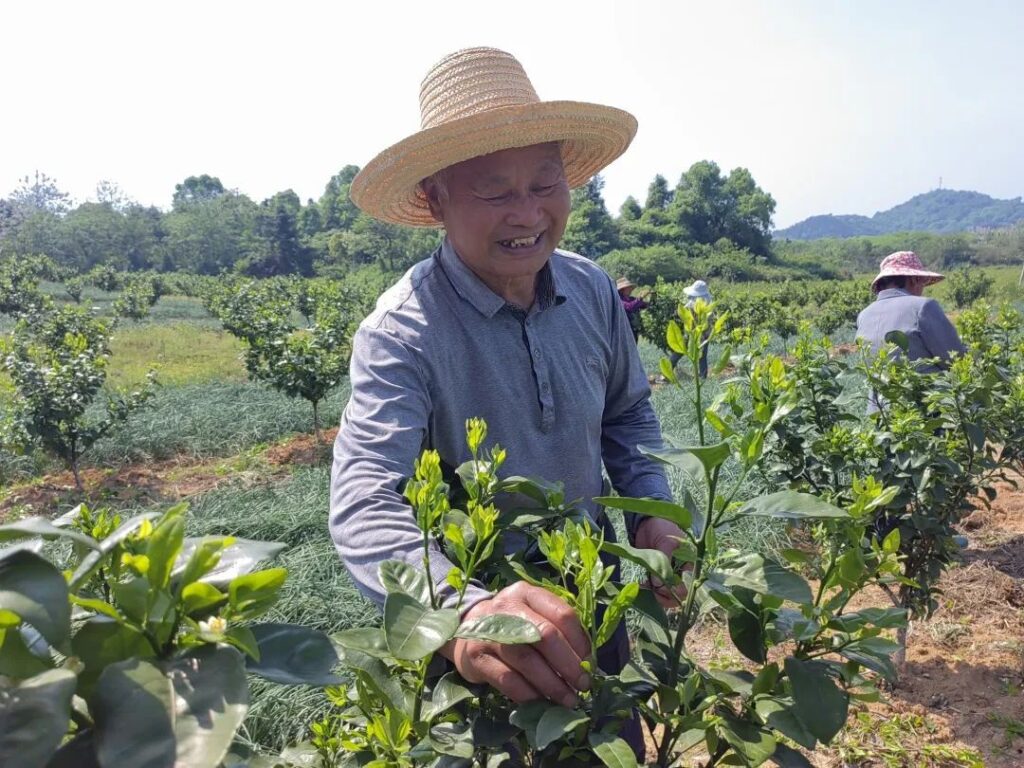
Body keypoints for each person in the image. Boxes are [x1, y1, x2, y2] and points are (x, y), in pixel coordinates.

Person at [329, 47, 686, 755]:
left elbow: (626, 415)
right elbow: (365, 500)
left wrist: (650, 508)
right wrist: (468, 613)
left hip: (592, 599)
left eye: (546, 182)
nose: (528, 214)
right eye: (494, 191)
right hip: (485, 647)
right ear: (435, 200)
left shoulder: (590, 291)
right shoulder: (403, 335)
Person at [856, 250, 966, 411]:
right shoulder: (923, 307)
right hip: (924, 411)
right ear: (914, 279)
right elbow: (955, 360)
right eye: (922, 282)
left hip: (881, 413)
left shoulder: (864, 315)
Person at [668, 279, 713, 378]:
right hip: (700, 334)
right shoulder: (705, 302)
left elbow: (683, 313)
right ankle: (702, 377)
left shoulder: (699, 304)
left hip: (696, 333)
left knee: (680, 351)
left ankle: (667, 373)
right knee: (700, 356)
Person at [616, 276, 647, 342]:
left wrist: (648, 299)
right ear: (622, 289)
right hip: (624, 331)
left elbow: (643, 305)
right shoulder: (619, 300)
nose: (630, 290)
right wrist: (640, 298)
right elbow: (629, 307)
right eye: (628, 288)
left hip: (634, 330)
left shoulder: (631, 299)